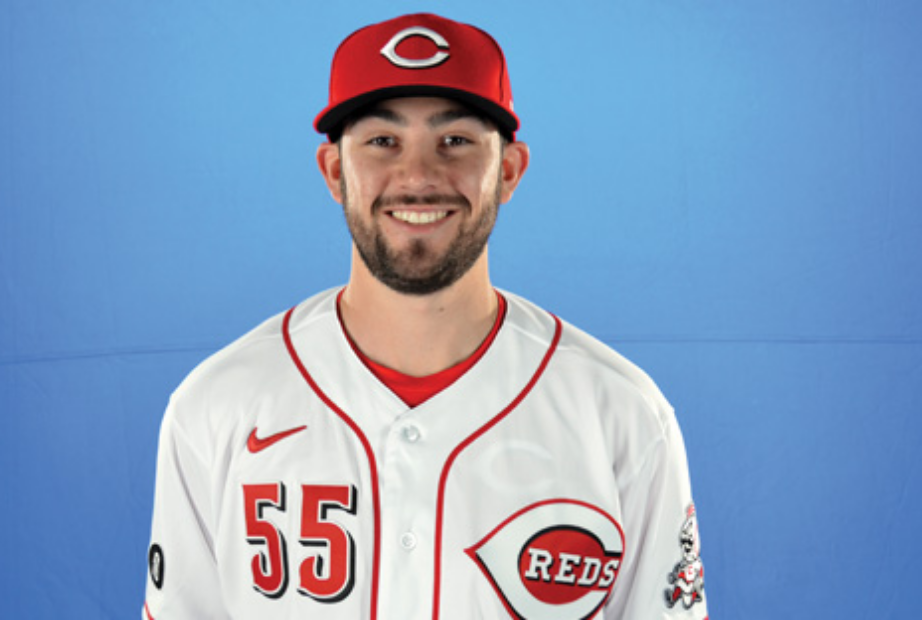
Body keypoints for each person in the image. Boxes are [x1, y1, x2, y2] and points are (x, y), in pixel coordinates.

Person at [143, 13, 707, 620]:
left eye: (456, 141)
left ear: (509, 171)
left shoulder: (621, 413)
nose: (417, 177)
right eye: (383, 142)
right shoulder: (218, 405)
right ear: (335, 172)